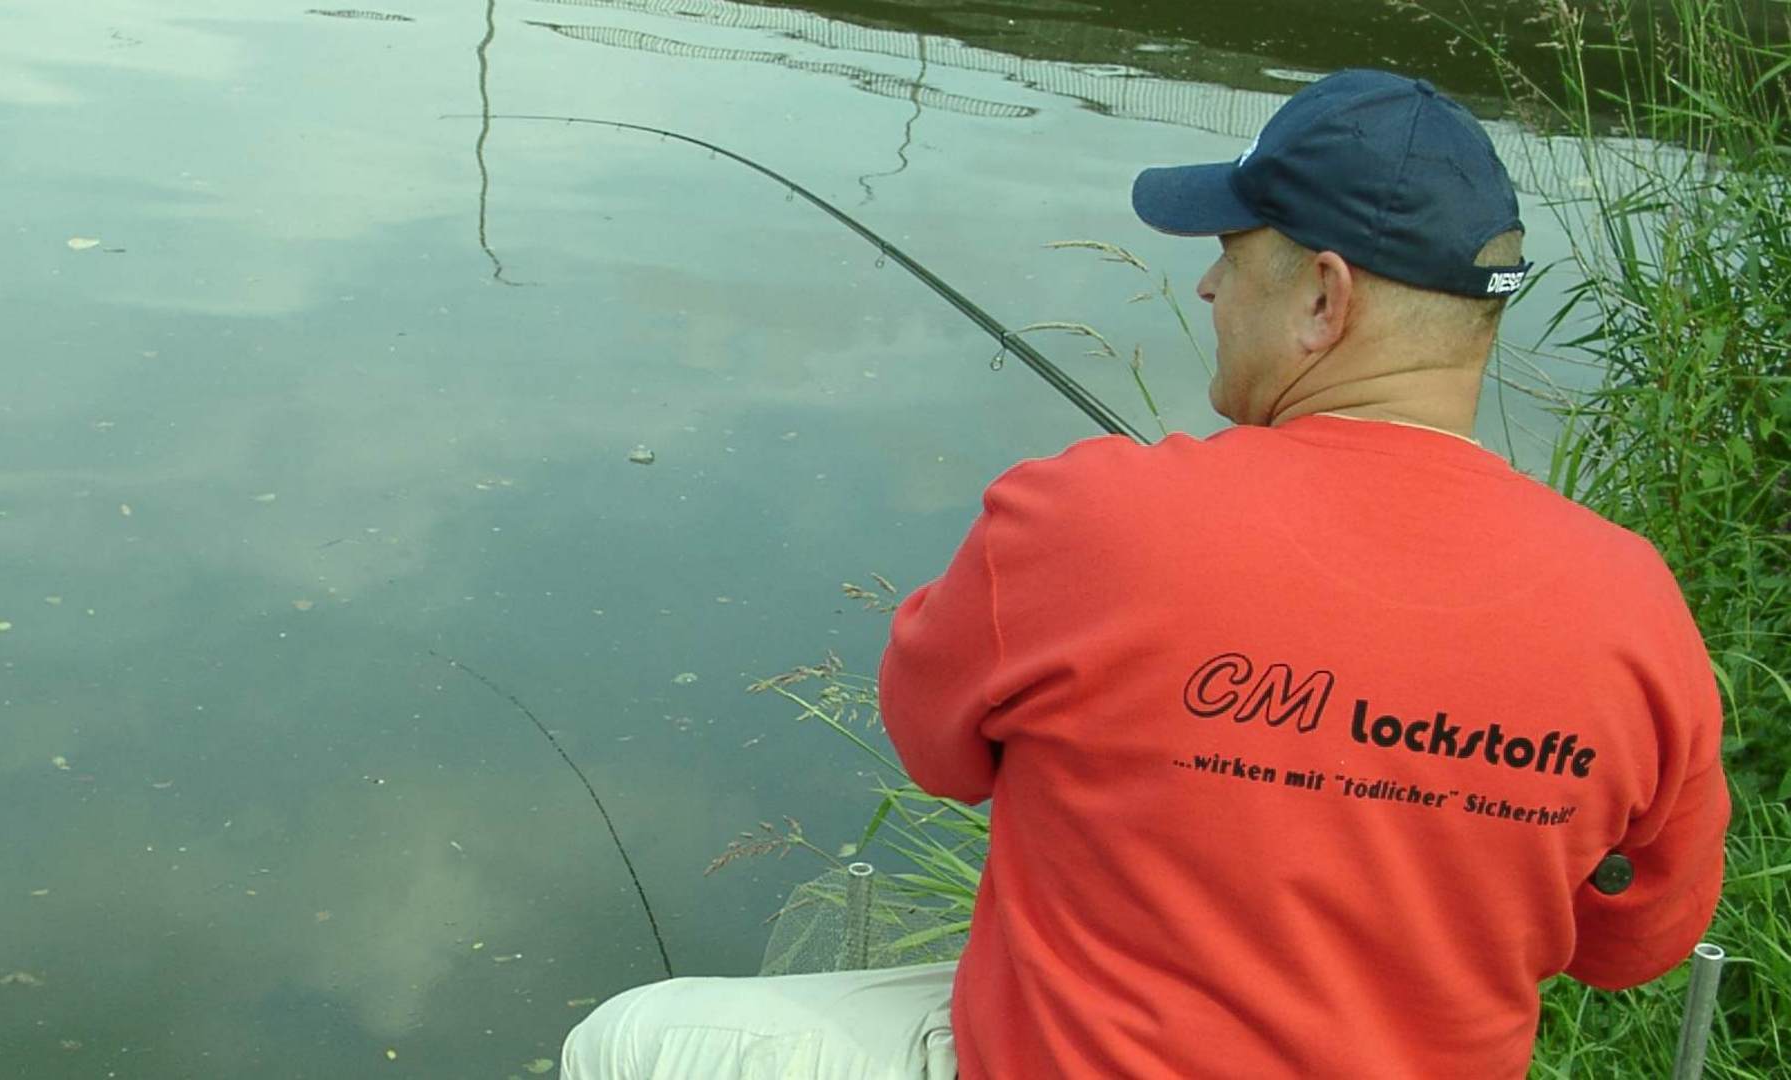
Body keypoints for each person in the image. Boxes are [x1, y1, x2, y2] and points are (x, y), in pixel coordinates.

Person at [561, 68, 1730, 1080]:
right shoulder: (1636, 607)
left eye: (1230, 257)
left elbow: (934, 750)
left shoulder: (1090, 516)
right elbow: (1637, 943)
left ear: (1325, 297)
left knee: (630, 1040)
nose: (1210, 289)